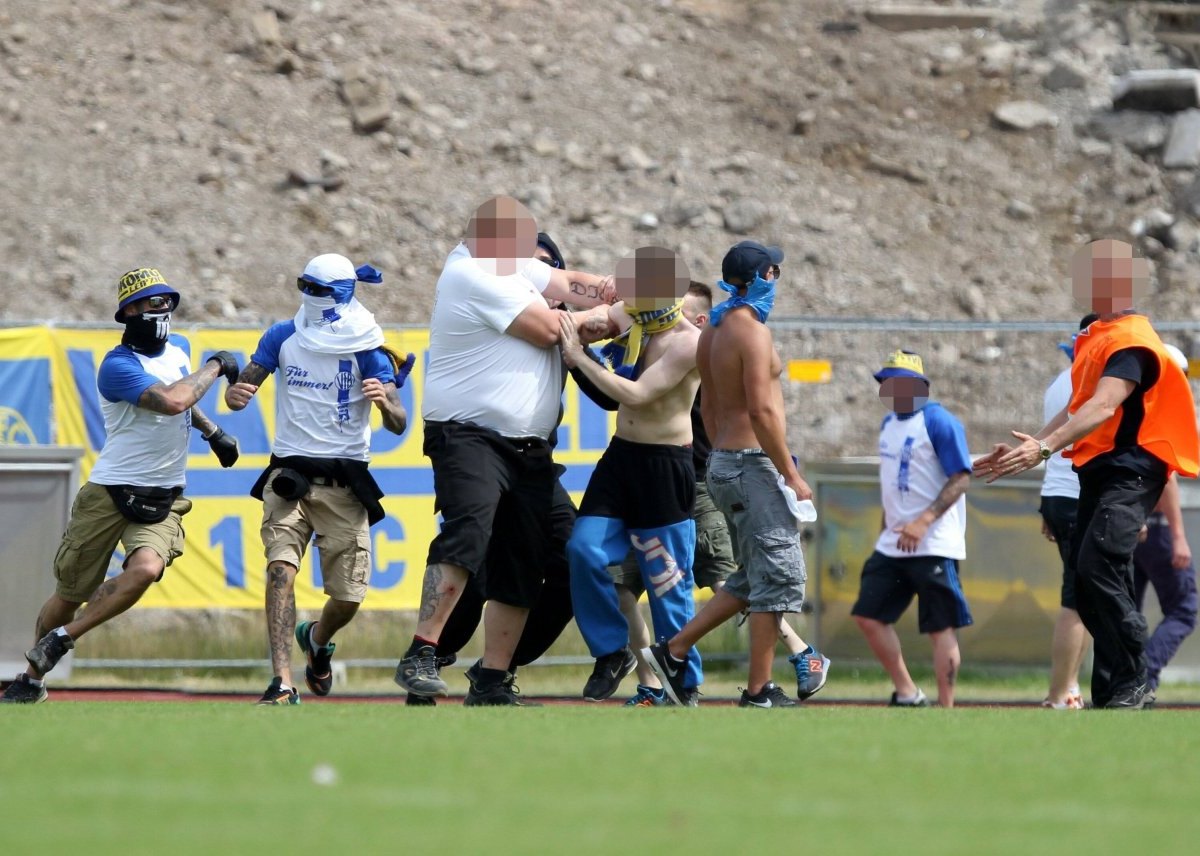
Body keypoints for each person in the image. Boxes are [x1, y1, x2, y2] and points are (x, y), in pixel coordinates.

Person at [393, 196, 615, 706]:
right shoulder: (474, 273)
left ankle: (494, 677)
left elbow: (569, 282)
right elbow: (548, 330)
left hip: (529, 446)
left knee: (528, 556)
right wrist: (620, 312)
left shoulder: (510, 266)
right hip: (469, 434)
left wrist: (619, 286)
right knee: (469, 530)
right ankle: (422, 651)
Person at [974, 239, 1199, 709]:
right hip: (1097, 472)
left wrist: (1044, 449)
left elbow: (1102, 405)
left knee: (1096, 563)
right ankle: (1116, 690)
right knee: (1089, 574)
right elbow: (1077, 408)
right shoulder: (1099, 336)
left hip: (1132, 471)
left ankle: (1134, 673)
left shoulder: (1132, 341)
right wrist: (1029, 446)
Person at [1, 268, 241, 703]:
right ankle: (33, 678)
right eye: (153, 302)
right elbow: (172, 400)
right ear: (128, 311)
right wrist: (218, 364)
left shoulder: (181, 348)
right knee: (69, 593)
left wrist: (211, 431)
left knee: (147, 569)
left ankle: (64, 637)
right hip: (109, 492)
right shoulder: (117, 366)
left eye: (168, 301)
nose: (163, 309)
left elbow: (182, 392)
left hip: (165, 494)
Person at [616, 278, 830, 707]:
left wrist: (721, 458)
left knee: (746, 577)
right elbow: (762, 409)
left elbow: (713, 410)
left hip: (718, 468)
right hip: (735, 467)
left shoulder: (711, 335)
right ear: (761, 279)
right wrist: (788, 472)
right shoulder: (744, 332)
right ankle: (761, 687)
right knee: (772, 574)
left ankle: (673, 651)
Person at [225, 253, 410, 705]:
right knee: (279, 571)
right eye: (305, 287)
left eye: (320, 290)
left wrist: (385, 403)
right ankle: (282, 682)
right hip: (289, 478)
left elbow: (400, 422)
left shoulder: (367, 345)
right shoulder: (282, 335)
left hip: (345, 483)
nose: (310, 297)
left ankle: (318, 638)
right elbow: (243, 390)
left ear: (343, 293)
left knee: (348, 598)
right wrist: (235, 395)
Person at [560, 246, 705, 704]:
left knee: (667, 583)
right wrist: (551, 314)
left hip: (665, 467)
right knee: (583, 549)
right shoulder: (633, 315)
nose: (625, 294)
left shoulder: (688, 341)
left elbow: (638, 393)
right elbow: (591, 320)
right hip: (621, 459)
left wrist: (579, 358)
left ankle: (684, 683)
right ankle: (612, 651)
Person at [851, 350, 973, 708]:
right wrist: (884, 527)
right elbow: (892, 484)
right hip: (892, 544)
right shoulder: (888, 424)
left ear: (920, 386)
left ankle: (946, 707)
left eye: (899, 382)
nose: (891, 389)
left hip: (934, 543)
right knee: (869, 616)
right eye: (886, 382)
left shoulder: (939, 422)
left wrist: (923, 521)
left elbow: (961, 478)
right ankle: (907, 692)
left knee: (940, 628)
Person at [1134, 344, 1198, 708]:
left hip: (1130, 527)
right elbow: (1166, 479)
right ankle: (1144, 677)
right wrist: (1177, 536)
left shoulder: (1131, 410)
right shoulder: (1160, 413)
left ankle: (1123, 682)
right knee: (1184, 608)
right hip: (1156, 527)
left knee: (1129, 611)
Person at [1039, 317, 1094, 710]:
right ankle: (1059, 693)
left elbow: (1048, 445)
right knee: (1078, 598)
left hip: (1059, 493)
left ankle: (1070, 687)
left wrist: (1046, 502)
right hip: (1078, 495)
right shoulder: (1086, 383)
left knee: (1085, 596)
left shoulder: (1059, 383)